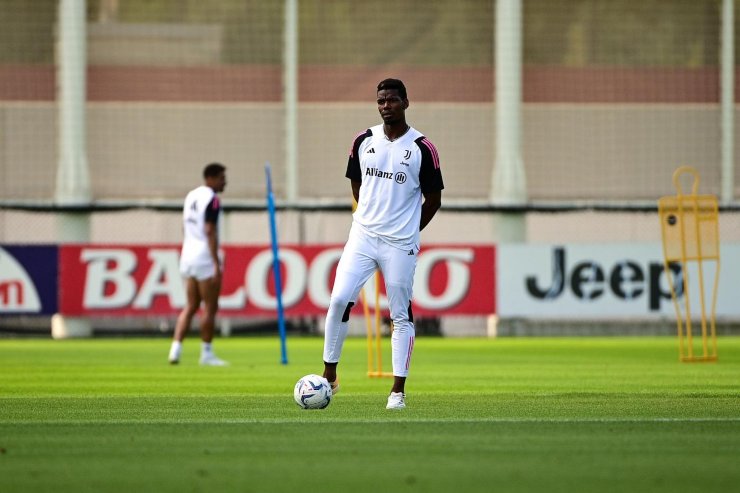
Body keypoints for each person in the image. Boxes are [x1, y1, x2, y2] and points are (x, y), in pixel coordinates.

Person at [322, 78, 444, 409]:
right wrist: (369, 217)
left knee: (399, 315)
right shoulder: (363, 140)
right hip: (362, 237)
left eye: (391, 100)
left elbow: (433, 199)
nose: (385, 105)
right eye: (380, 100)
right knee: (338, 301)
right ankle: (329, 377)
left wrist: (409, 230)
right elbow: (357, 183)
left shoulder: (422, 148)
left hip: (400, 244)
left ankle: (397, 391)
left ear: (406, 102)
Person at [168, 163, 229, 366]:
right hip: (204, 257)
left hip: (187, 255)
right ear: (210, 178)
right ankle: (206, 353)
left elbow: (184, 226)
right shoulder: (212, 199)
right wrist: (215, 262)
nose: (225, 182)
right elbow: (210, 230)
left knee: (191, 306)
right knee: (210, 307)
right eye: (221, 178)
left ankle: (175, 350)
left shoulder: (191, 196)